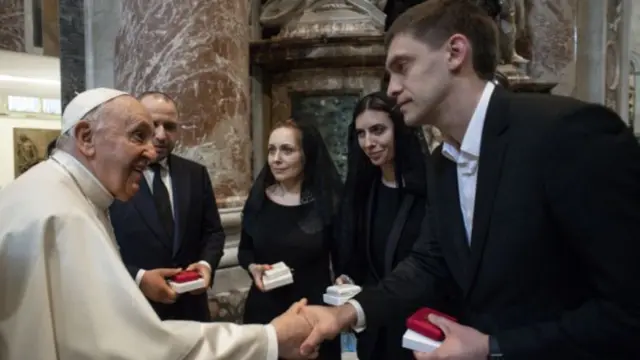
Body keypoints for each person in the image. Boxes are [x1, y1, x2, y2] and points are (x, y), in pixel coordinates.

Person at [297, 1, 640, 359]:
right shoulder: (441, 162)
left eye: (403, 67)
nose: (393, 89)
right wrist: (347, 313)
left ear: (455, 52)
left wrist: (493, 347)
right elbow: (429, 263)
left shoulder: (568, 133)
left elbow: (627, 310)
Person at [0, 87, 317, 360]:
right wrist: (270, 339)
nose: (151, 150)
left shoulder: (57, 191)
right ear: (86, 137)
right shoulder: (62, 214)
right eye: (139, 135)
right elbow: (131, 347)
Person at [110, 91, 225, 322]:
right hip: (135, 311)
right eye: (153, 125)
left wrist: (205, 265)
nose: (161, 135)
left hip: (191, 311)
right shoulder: (112, 176)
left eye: (170, 126)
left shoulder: (195, 174)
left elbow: (213, 232)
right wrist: (139, 278)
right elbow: (98, 247)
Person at [332, 91, 430, 360]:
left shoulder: (428, 191)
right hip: (373, 328)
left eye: (378, 131)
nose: (369, 143)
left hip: (418, 330)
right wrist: (348, 277)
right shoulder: (362, 191)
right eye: (361, 134)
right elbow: (359, 258)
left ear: (399, 130)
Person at [238, 119, 343, 359]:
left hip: (312, 313)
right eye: (272, 150)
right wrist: (253, 267)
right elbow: (245, 251)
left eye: (287, 150)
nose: (276, 158)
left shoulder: (329, 203)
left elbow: (343, 260)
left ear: (307, 155)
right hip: (264, 313)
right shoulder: (258, 199)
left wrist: (343, 283)